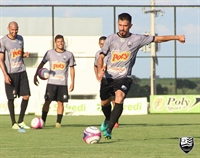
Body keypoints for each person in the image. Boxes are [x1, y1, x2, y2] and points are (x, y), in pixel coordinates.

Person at [97, 13, 185, 139]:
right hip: (108, 77)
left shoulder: (137, 39)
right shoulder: (110, 39)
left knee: (119, 97)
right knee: (104, 103)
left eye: (125, 26)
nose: (122, 28)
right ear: (118, 24)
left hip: (124, 77)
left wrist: (177, 37)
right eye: (120, 25)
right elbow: (101, 56)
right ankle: (107, 119)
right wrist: (101, 69)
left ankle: (109, 129)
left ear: (130, 26)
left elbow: (157, 39)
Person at [34, 34, 76, 128]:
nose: (60, 43)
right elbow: (42, 64)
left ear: (64, 42)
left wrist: (72, 82)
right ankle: (43, 121)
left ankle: (58, 122)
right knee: (47, 101)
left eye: (62, 41)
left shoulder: (69, 54)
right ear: (55, 43)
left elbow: (72, 69)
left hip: (62, 83)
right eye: (58, 42)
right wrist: (35, 75)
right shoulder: (49, 53)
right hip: (51, 83)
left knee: (60, 102)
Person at [0, 21, 31, 129]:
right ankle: (14, 123)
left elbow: (20, 53)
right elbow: (1, 60)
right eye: (12, 29)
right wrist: (5, 75)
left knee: (26, 96)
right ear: (8, 28)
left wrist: (24, 55)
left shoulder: (20, 39)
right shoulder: (3, 41)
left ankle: (21, 121)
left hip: (21, 71)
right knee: (11, 98)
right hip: (10, 73)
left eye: (16, 29)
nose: (14, 32)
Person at [94, 36, 119, 128]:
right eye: (101, 44)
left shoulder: (113, 52)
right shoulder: (98, 54)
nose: (102, 46)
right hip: (105, 81)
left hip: (115, 79)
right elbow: (96, 65)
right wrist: (97, 74)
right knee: (104, 102)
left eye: (104, 44)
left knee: (115, 100)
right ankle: (108, 118)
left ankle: (115, 121)